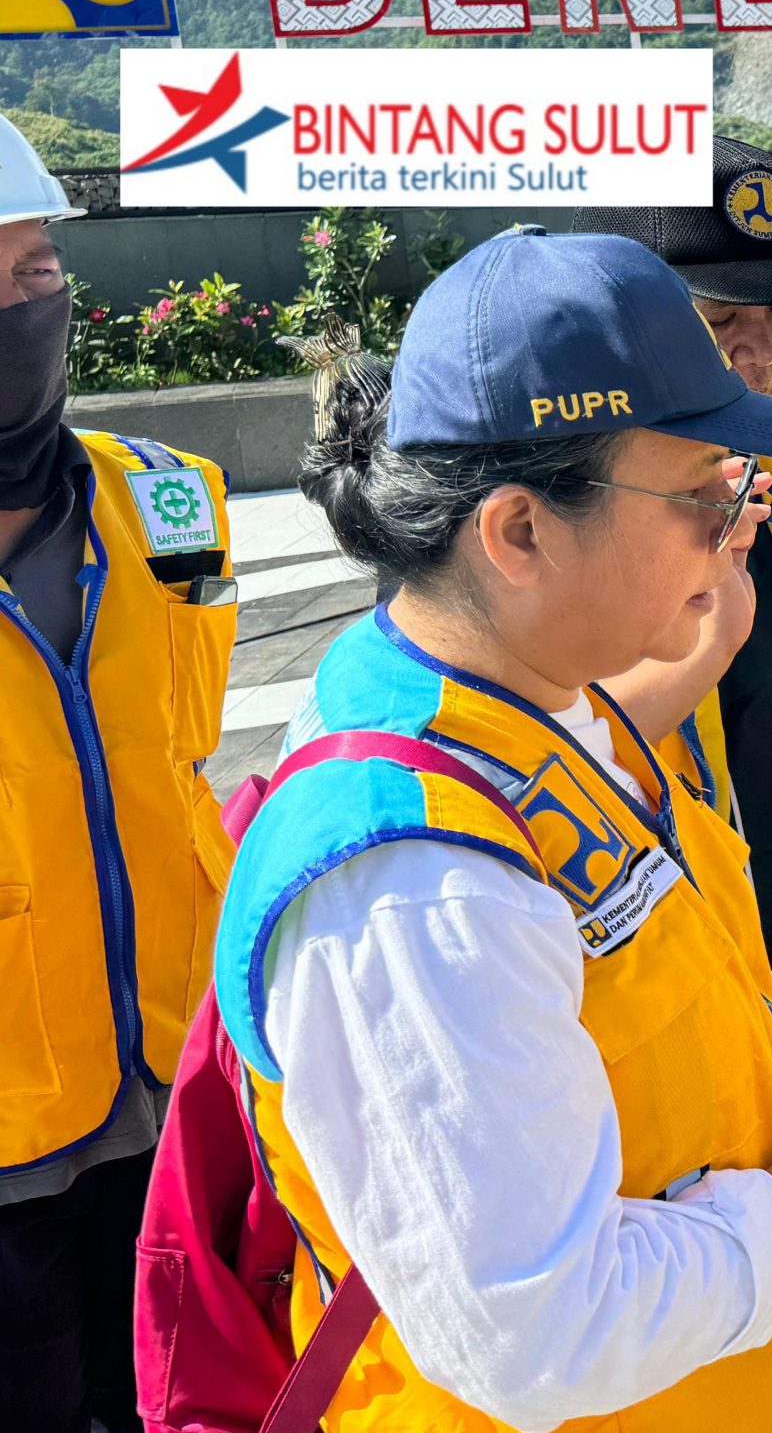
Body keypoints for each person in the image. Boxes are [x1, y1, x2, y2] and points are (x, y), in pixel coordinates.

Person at [212, 227, 772, 1428]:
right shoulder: (412, 884)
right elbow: (532, 1331)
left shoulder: (535, 702)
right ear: (521, 533)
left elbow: (617, 951)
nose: (734, 525)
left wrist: (764, 1028)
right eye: (701, 494)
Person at [580, 141, 772, 1200]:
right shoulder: (582, 504)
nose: (764, 346)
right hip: (693, 952)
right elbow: (537, 749)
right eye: (724, 318)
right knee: (751, 1244)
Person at [0, 115, 237, 1433]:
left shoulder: (174, 501)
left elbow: (184, 750)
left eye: (36, 272)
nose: (21, 308)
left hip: (183, 1094)